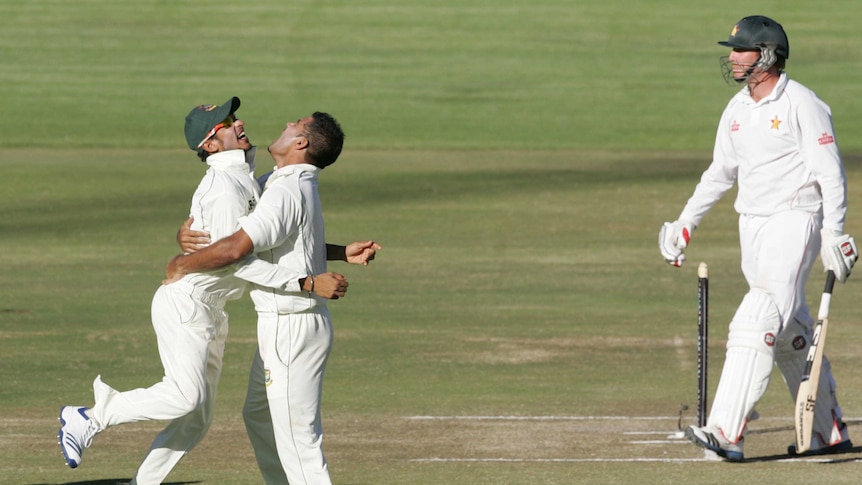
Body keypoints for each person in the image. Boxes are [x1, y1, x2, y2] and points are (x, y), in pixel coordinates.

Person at [57, 97, 302, 483]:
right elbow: (232, 256)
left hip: (210, 309)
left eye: (234, 118)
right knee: (184, 397)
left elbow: (252, 214)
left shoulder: (238, 173)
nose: (238, 124)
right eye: (227, 123)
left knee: (195, 421)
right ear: (210, 143)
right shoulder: (224, 186)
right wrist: (301, 281)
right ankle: (91, 415)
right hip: (187, 305)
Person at [659, 15, 858, 462]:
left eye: (740, 50)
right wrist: (683, 223)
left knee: (758, 317)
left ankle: (727, 431)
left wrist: (834, 233)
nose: (731, 57)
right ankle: (827, 431)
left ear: (766, 55)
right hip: (752, 226)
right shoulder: (737, 109)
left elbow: (831, 174)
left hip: (795, 220)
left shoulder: (802, 104)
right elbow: (718, 175)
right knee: (788, 335)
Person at [164, 111, 380, 485]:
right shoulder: (286, 181)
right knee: (259, 415)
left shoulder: (284, 191)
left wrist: (183, 262)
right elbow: (294, 242)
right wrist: (343, 252)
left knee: (300, 444)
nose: (286, 124)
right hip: (289, 324)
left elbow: (234, 250)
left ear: (301, 143)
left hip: (291, 325)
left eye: (295, 124)